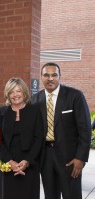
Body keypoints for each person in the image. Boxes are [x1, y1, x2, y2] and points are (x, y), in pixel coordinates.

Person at [32, 62, 91, 199]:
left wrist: (80, 157)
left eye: (54, 75)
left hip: (70, 158)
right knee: (50, 195)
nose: (50, 78)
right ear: (41, 77)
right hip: (45, 156)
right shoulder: (35, 100)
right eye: (46, 75)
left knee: (71, 195)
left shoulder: (75, 96)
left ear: (60, 76)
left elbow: (85, 129)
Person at [0, 78, 43, 199]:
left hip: (29, 164)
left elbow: (39, 139)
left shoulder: (35, 111)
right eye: (12, 91)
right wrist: (10, 162)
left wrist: (27, 161)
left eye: (18, 91)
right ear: (7, 94)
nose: (15, 95)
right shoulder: (2, 112)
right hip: (8, 163)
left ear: (24, 92)